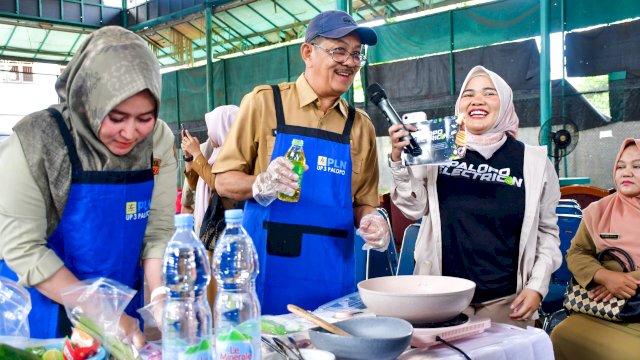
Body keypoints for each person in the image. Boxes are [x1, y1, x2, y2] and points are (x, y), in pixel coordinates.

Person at [0, 26, 176, 343]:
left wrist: (161, 296)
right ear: (88, 99)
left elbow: (157, 231)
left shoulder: (158, 140)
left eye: (145, 118)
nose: (130, 133)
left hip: (122, 308)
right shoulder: (37, 141)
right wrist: (101, 311)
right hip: (43, 308)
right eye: (117, 117)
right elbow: (23, 249)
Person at [212, 10, 390, 315]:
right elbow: (223, 180)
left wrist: (374, 221)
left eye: (357, 54)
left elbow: (363, 203)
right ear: (307, 52)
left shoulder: (360, 127)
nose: (350, 61)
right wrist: (260, 182)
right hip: (266, 270)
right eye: (339, 51)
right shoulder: (265, 103)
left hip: (331, 275)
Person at [388, 65, 562, 327]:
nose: (477, 100)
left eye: (489, 93)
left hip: (506, 301)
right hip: (442, 296)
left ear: (504, 103)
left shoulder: (534, 161)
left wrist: (537, 286)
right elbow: (413, 209)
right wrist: (398, 161)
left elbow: (547, 232)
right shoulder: (438, 149)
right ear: (459, 105)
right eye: (468, 94)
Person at [551, 138, 640, 359]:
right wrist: (603, 276)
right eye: (621, 166)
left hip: (636, 311)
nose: (626, 173)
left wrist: (625, 282)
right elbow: (578, 252)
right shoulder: (598, 210)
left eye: (637, 166)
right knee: (561, 334)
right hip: (602, 308)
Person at [180, 105, 240, 234]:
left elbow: (218, 185)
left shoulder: (236, 156)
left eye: (211, 129)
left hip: (223, 229)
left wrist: (197, 154)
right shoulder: (215, 154)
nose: (208, 133)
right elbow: (195, 185)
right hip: (209, 226)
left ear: (223, 128)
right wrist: (189, 157)